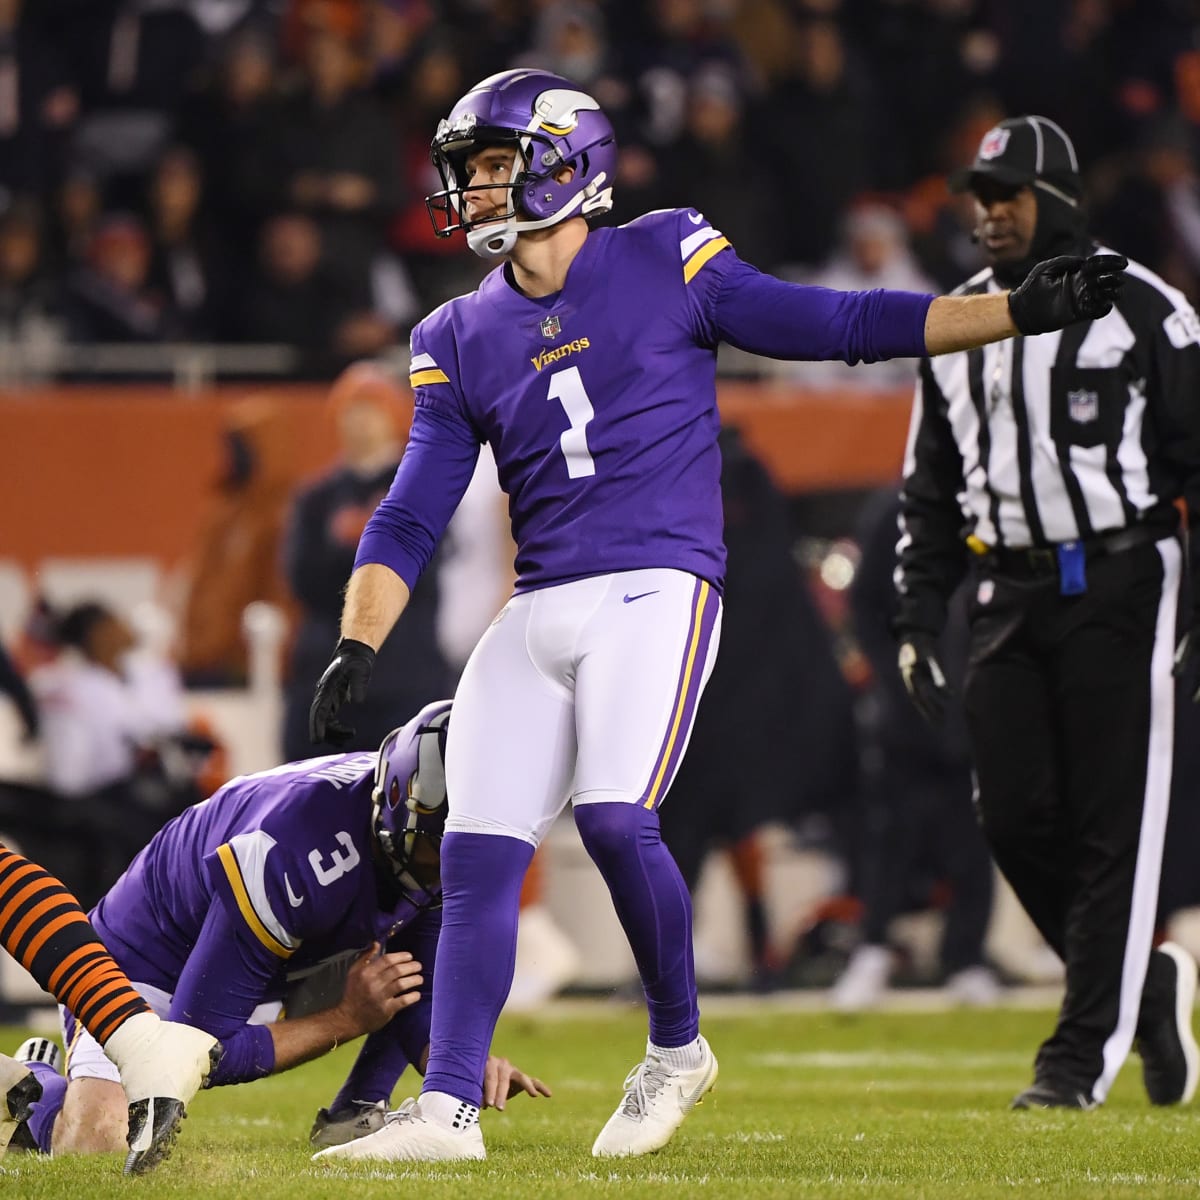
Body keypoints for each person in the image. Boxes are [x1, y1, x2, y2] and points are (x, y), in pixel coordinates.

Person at [306, 70, 1126, 1164]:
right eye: (471, 171)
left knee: (613, 819)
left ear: (566, 162)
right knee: (476, 849)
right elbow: (408, 514)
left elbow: (836, 323)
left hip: (659, 581)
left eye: (496, 163)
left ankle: (677, 1048)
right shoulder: (457, 333)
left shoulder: (665, 254)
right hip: (541, 598)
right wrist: (358, 638)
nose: (478, 188)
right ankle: (450, 1108)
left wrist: (1013, 310)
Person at [894, 115, 1200, 1110]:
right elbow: (928, 489)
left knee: (1116, 824)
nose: (989, 215)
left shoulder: (1150, 311)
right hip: (1004, 591)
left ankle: (1075, 1065)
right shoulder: (957, 324)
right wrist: (912, 616)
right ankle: (1139, 984)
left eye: (1008, 194)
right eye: (980, 197)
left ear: (1058, 198)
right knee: (1015, 816)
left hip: (1124, 579)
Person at [19, 700, 546, 1163]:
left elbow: (417, 986)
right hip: (144, 963)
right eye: (440, 847)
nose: (451, 866)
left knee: (392, 972)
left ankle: (355, 1111)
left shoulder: (422, 837)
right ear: (394, 803)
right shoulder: (295, 853)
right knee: (98, 1140)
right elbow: (190, 1052)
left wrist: (453, 1067)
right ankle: (32, 1087)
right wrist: (343, 1018)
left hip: (276, 957)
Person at [832, 488, 998, 1011]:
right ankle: (873, 947)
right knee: (891, 833)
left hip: (974, 702)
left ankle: (966, 957)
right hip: (907, 706)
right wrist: (894, 677)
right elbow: (866, 605)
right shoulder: (895, 513)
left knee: (974, 834)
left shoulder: (989, 505)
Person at [0, 841, 218, 1174]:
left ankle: (131, 1034)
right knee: (98, 1137)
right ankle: (40, 1079)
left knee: (97, 1141)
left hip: (148, 968)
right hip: (146, 957)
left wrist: (129, 1031)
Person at [282, 361, 452, 762]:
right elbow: (303, 580)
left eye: (370, 408)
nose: (359, 421)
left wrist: (358, 547)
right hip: (329, 666)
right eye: (350, 410)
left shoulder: (421, 486)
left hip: (405, 673)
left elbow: (422, 571)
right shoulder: (316, 498)